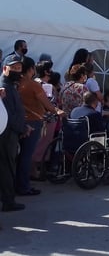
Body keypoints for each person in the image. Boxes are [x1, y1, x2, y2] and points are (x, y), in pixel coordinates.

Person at [17, 56, 65, 196]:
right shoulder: (33, 85)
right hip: (33, 121)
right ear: (31, 69)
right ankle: (24, 186)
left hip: (20, 121)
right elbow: (48, 105)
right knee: (28, 155)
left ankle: (18, 183)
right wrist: (58, 111)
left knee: (20, 155)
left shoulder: (17, 83)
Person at [0, 55, 27, 211]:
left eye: (19, 68)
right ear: (5, 69)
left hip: (10, 131)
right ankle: (8, 201)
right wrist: (21, 128)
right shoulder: (4, 86)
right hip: (6, 133)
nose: (17, 71)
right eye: (14, 68)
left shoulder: (10, 85)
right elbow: (8, 114)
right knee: (7, 167)